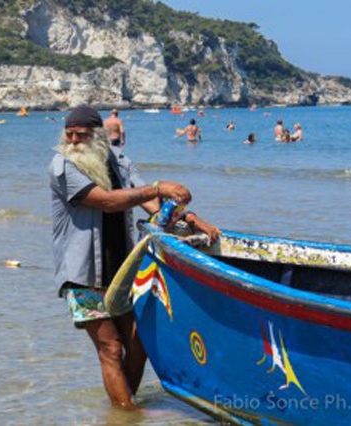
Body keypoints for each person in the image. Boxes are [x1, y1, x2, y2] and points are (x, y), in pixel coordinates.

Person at [48, 105, 220, 409]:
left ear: (98, 136)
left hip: (122, 272)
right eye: (69, 135)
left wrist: (193, 219)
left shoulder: (120, 162)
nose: (73, 142)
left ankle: (122, 406)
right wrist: (156, 186)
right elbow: (107, 202)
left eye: (81, 136)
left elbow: (153, 203)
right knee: (111, 347)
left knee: (139, 344)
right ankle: (128, 413)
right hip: (81, 275)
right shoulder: (62, 167)